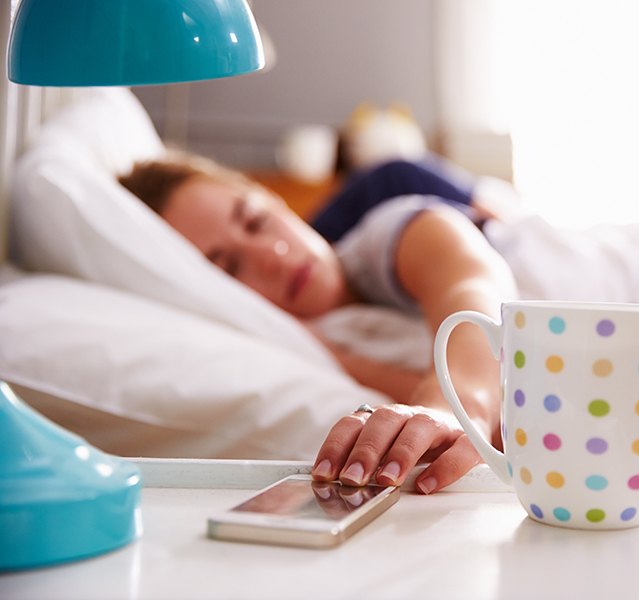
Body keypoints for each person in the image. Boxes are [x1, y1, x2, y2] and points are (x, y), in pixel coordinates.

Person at [119, 152, 520, 495]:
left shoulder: (383, 237)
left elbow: (471, 287)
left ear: (276, 201)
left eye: (257, 221)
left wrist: (456, 407)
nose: (273, 255)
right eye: (232, 269)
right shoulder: (317, 345)